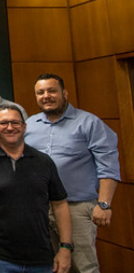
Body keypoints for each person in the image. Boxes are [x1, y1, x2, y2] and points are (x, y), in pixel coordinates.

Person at [24, 73, 120, 273]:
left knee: (84, 267)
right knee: (48, 267)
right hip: (40, 210)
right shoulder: (30, 125)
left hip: (76, 207)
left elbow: (108, 164)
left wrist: (104, 204)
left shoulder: (88, 123)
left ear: (64, 93)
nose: (46, 96)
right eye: (40, 92)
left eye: (52, 91)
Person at [0, 105, 72, 272]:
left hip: (41, 258)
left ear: (24, 126)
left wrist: (65, 248)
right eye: (4, 123)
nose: (10, 127)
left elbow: (60, 204)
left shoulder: (44, 162)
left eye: (15, 123)